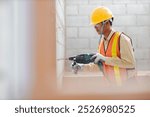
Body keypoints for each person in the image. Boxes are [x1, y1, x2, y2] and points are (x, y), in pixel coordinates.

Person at [72, 6, 137, 86]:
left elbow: (130, 63)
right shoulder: (102, 43)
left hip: (127, 87)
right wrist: (82, 67)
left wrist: (105, 59)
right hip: (111, 88)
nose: (95, 27)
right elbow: (101, 65)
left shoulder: (122, 39)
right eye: (94, 25)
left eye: (97, 24)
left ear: (106, 23)